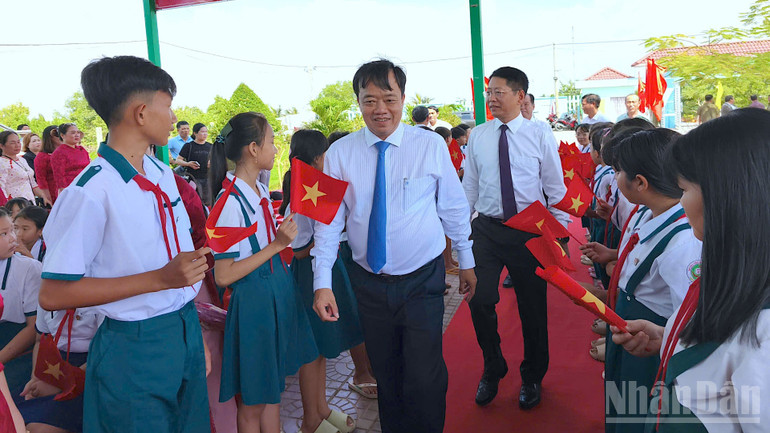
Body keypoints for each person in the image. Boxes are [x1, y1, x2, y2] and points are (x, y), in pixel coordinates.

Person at [38, 55, 211, 432]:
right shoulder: (90, 191)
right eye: (168, 105)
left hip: (182, 329)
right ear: (141, 113)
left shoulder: (162, 173)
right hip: (134, 346)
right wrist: (160, 280)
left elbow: (181, 267)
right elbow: (53, 293)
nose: (173, 116)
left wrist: (191, 334)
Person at [310, 59, 476, 433]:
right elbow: (328, 223)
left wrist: (465, 259)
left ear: (403, 98)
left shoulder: (429, 146)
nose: (380, 109)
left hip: (422, 280)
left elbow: (452, 207)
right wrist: (322, 283)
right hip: (368, 283)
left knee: (423, 375)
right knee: (386, 374)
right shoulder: (340, 154)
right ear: (358, 102)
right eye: (369, 100)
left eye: (389, 99)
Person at [612, 108, 770, 431]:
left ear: (726, 198)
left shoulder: (764, 331)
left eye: (684, 189)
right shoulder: (733, 277)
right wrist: (668, 337)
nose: (680, 203)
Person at [463, 66, 569, 410]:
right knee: (479, 298)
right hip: (487, 229)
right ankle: (493, 366)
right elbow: (470, 186)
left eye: (499, 92)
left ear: (520, 95)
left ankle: (532, 376)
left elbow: (554, 186)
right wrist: (461, 231)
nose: (491, 98)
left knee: (532, 308)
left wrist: (561, 233)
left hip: (529, 231)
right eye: (488, 92)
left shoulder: (539, 133)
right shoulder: (479, 135)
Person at [582, 129, 701, 433]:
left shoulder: (683, 241)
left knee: (635, 413)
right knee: (619, 402)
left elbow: (689, 319)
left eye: (618, 171)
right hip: (633, 330)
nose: (615, 177)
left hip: (650, 342)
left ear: (640, 183)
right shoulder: (648, 214)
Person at [209, 112, 318, 433]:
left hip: (275, 292)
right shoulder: (229, 203)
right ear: (253, 149)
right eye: (271, 141)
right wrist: (276, 245)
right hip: (255, 305)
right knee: (254, 402)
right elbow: (223, 276)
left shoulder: (257, 190)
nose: (276, 148)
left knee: (272, 391)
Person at [280, 129, 362, 433]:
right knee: (311, 350)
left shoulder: (315, 186)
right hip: (309, 275)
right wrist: (325, 242)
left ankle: (322, 408)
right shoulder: (304, 193)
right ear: (317, 158)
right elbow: (298, 249)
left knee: (323, 347)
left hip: (325, 270)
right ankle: (310, 420)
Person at [17, 306, 102, 433]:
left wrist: (63, 384)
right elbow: (40, 340)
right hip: (54, 365)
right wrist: (35, 378)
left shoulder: (101, 303)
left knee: (38, 428)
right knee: (12, 417)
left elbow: (103, 353)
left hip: (89, 370)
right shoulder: (46, 298)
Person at [0, 208, 42, 393]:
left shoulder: (29, 268)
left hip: (15, 350)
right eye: (4, 234)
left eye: (12, 230)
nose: (13, 238)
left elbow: (33, 328)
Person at [0, 132, 50, 205]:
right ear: (1, 145)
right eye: (12, 143)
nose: (17, 145)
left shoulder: (22, 160)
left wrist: (44, 196)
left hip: (29, 201)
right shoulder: (2, 162)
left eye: (18, 142)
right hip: (14, 204)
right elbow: (1, 187)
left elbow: (32, 183)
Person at [176, 123, 212, 205]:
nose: (205, 134)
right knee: (196, 201)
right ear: (195, 133)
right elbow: (178, 160)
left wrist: (212, 163)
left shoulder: (210, 146)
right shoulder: (189, 146)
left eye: (206, 132)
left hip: (208, 179)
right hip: (194, 178)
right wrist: (188, 164)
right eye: (202, 132)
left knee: (208, 202)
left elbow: (217, 160)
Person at [50, 123, 90, 192]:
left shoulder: (82, 150)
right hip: (72, 189)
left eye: (78, 132)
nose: (77, 135)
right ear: (62, 135)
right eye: (73, 133)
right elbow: (59, 178)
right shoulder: (59, 153)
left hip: (87, 186)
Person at [34, 126, 61, 205]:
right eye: (57, 134)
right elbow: (41, 179)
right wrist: (47, 197)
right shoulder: (42, 157)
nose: (61, 137)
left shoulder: (66, 153)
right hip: (53, 193)